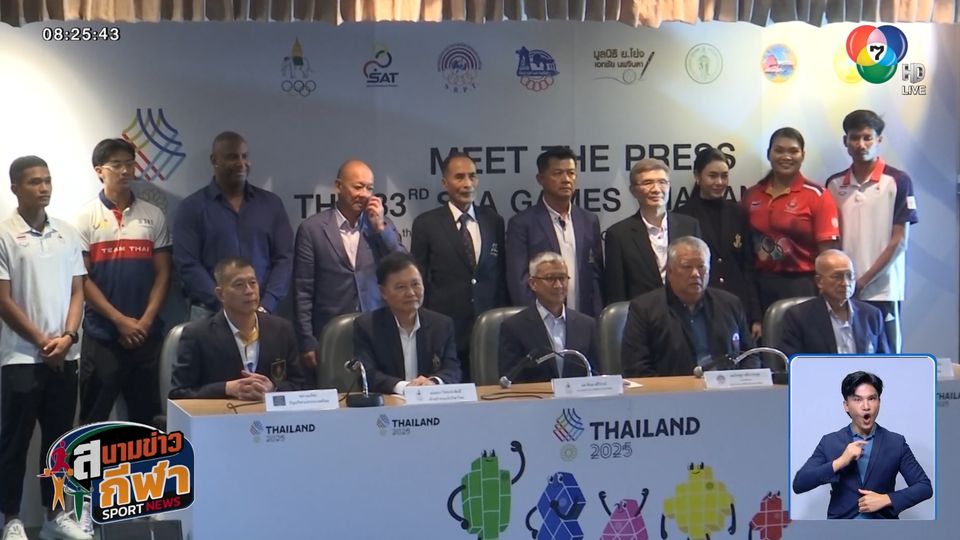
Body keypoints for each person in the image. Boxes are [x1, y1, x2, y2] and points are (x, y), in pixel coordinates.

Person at [0, 156, 90, 540]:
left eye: (48, 180)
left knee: (58, 444)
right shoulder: (4, 234)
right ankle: (11, 519)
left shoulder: (67, 233)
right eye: (34, 181)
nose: (44, 188)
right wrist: (41, 341)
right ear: (15, 188)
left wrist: (68, 337)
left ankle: (55, 516)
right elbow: (3, 300)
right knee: (14, 442)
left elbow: (78, 291)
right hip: (21, 356)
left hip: (65, 355)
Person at [73, 138, 171, 427]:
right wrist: (119, 321)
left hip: (146, 336)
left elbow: (163, 273)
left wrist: (144, 322)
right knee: (93, 424)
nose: (125, 171)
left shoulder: (153, 215)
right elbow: (81, 278)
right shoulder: (84, 217)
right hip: (102, 335)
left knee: (148, 424)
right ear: (99, 171)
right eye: (116, 165)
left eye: (130, 164)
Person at [293, 159, 405, 370]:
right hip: (330, 333)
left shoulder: (382, 226)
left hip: (377, 330)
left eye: (369, 188)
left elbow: (403, 267)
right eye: (358, 187)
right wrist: (306, 340)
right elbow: (303, 291)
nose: (364, 194)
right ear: (338, 186)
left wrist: (380, 229)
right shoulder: (312, 229)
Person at [173, 131, 293, 319]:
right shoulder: (191, 208)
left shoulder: (271, 204)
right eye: (232, 157)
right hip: (210, 314)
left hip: (262, 313)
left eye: (244, 156)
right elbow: (188, 264)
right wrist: (225, 306)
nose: (241, 163)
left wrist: (266, 305)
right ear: (214, 160)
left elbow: (284, 258)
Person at [826, 110, 918, 353]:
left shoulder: (898, 181)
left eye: (867, 137)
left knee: (888, 357)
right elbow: (831, 241)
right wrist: (846, 282)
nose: (861, 144)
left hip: (883, 290)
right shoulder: (834, 184)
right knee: (845, 354)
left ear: (879, 140)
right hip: (843, 290)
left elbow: (899, 241)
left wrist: (863, 281)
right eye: (854, 138)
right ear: (845, 141)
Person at [411, 152, 506, 382]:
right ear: (445, 183)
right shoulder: (426, 224)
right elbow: (419, 279)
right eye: (459, 177)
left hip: (487, 329)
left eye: (472, 176)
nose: (467, 183)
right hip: (445, 330)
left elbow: (500, 276)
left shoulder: (493, 220)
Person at [793, 371, 932, 519]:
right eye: (857, 399)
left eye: (872, 398)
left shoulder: (896, 442)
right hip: (841, 528)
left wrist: (887, 499)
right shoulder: (829, 442)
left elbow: (924, 487)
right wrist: (840, 462)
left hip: (882, 527)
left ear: (879, 402)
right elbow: (800, 484)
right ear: (846, 405)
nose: (866, 406)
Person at [620, 236, 757, 377]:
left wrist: (743, 381)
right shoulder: (644, 309)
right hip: (673, 388)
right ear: (670, 271)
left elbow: (750, 355)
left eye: (701, 267)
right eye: (687, 267)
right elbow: (636, 367)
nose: (695, 274)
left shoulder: (730, 304)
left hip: (725, 387)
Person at [170, 258, 304, 400]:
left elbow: (299, 385)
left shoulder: (282, 330)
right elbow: (178, 393)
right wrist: (226, 388)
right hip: (220, 412)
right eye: (239, 285)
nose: (249, 291)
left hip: (268, 413)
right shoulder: (197, 335)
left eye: (253, 283)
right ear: (221, 294)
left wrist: (273, 389)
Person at [742, 128, 840, 313]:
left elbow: (828, 254)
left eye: (793, 151)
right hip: (759, 285)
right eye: (779, 150)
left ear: (803, 155)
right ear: (769, 154)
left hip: (803, 284)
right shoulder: (752, 195)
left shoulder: (818, 195)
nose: (786, 156)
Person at [676, 147, 762, 339]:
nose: (719, 182)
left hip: (737, 305)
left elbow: (748, 266)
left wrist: (755, 316)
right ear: (697, 176)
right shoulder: (682, 216)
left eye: (724, 176)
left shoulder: (738, 213)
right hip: (699, 305)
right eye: (712, 176)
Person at [505, 148, 603, 316]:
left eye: (571, 173)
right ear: (540, 179)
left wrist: (596, 316)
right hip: (542, 319)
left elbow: (596, 276)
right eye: (557, 173)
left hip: (583, 318)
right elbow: (519, 281)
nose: (566, 180)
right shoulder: (522, 223)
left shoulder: (589, 220)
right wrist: (536, 319)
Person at [353, 253, 461, 395]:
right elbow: (367, 373)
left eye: (415, 284)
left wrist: (433, 382)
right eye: (401, 287)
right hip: (390, 403)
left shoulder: (441, 325)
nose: (410, 293)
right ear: (383, 292)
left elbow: (453, 369)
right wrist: (404, 387)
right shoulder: (367, 326)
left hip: (431, 402)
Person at [606, 159, 702, 304]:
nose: (656, 189)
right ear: (633, 191)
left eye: (662, 182)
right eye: (647, 183)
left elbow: (701, 275)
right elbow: (616, 292)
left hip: (685, 312)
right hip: (641, 315)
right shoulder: (618, 234)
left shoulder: (689, 226)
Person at [498, 252, 598, 384]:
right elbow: (511, 380)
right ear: (533, 283)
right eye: (551, 279)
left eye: (562, 278)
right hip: (534, 396)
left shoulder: (587, 325)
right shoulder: (514, 327)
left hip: (579, 396)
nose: (558, 285)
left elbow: (597, 374)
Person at [777, 250, 889, 357]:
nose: (845, 283)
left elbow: (884, 361)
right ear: (819, 281)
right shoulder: (798, 316)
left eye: (850, 276)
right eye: (837, 276)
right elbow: (793, 363)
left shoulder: (871, 315)